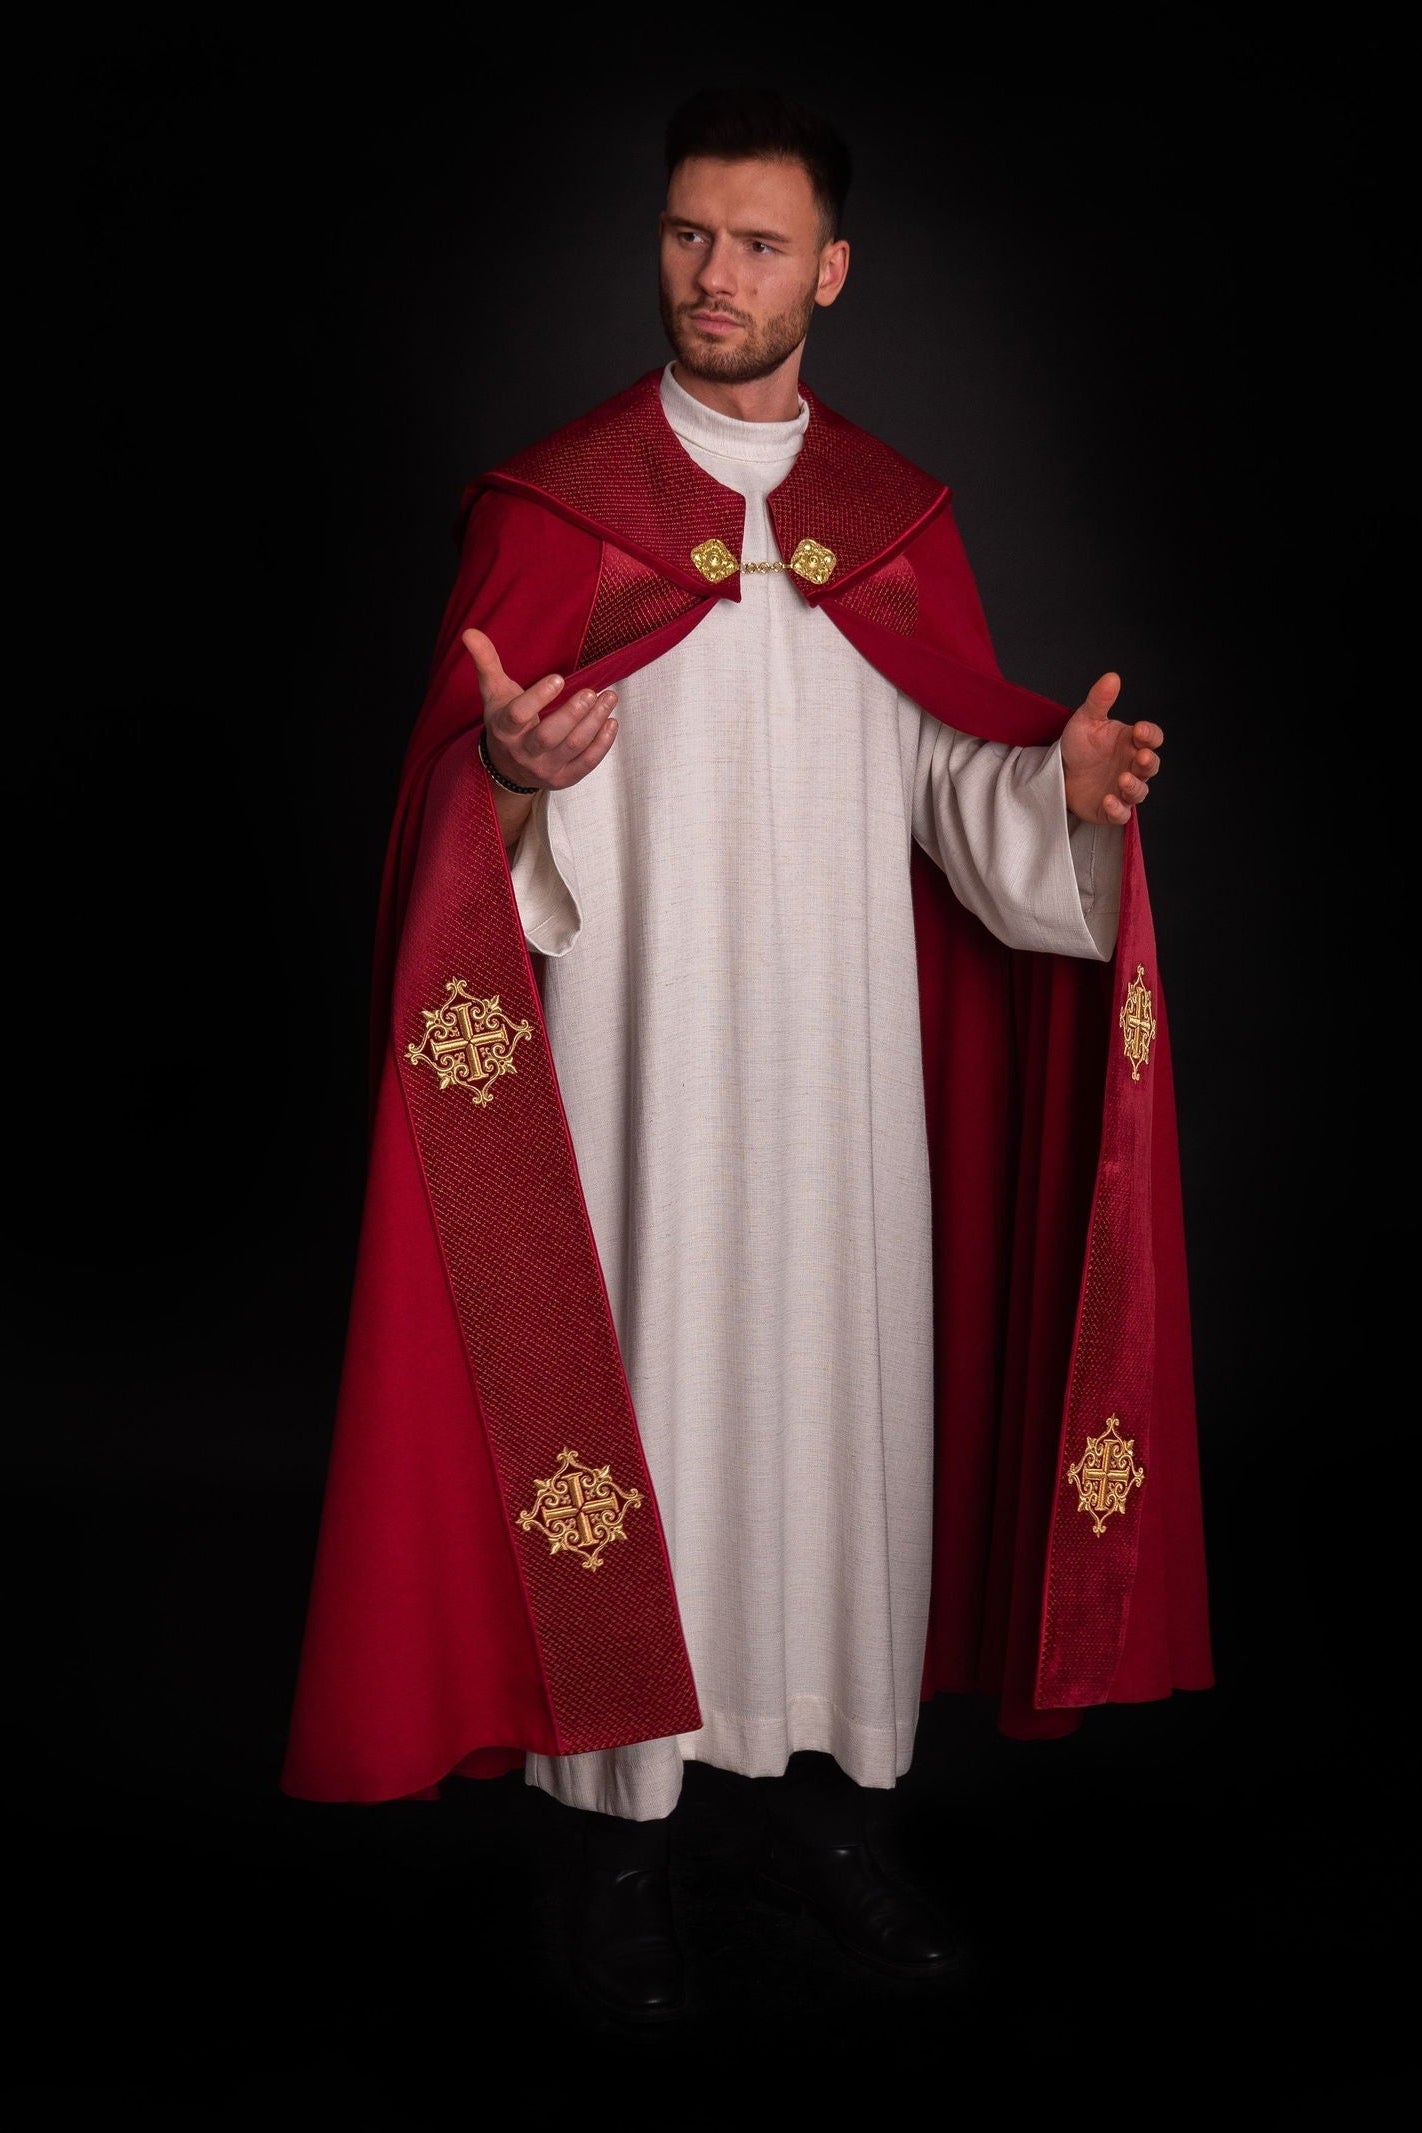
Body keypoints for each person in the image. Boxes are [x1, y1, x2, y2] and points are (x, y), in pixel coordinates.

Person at [280, 84, 1212, 2018]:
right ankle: (614, 1851)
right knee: (648, 1416)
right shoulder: (553, 511)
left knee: (836, 1433)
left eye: (759, 243)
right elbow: (463, 812)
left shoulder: (890, 523)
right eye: (691, 235)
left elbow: (954, 793)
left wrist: (1066, 790)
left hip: (841, 1094)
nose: (717, 274)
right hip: (635, 1075)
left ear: (832, 272)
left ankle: (830, 1820)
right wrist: (512, 779)